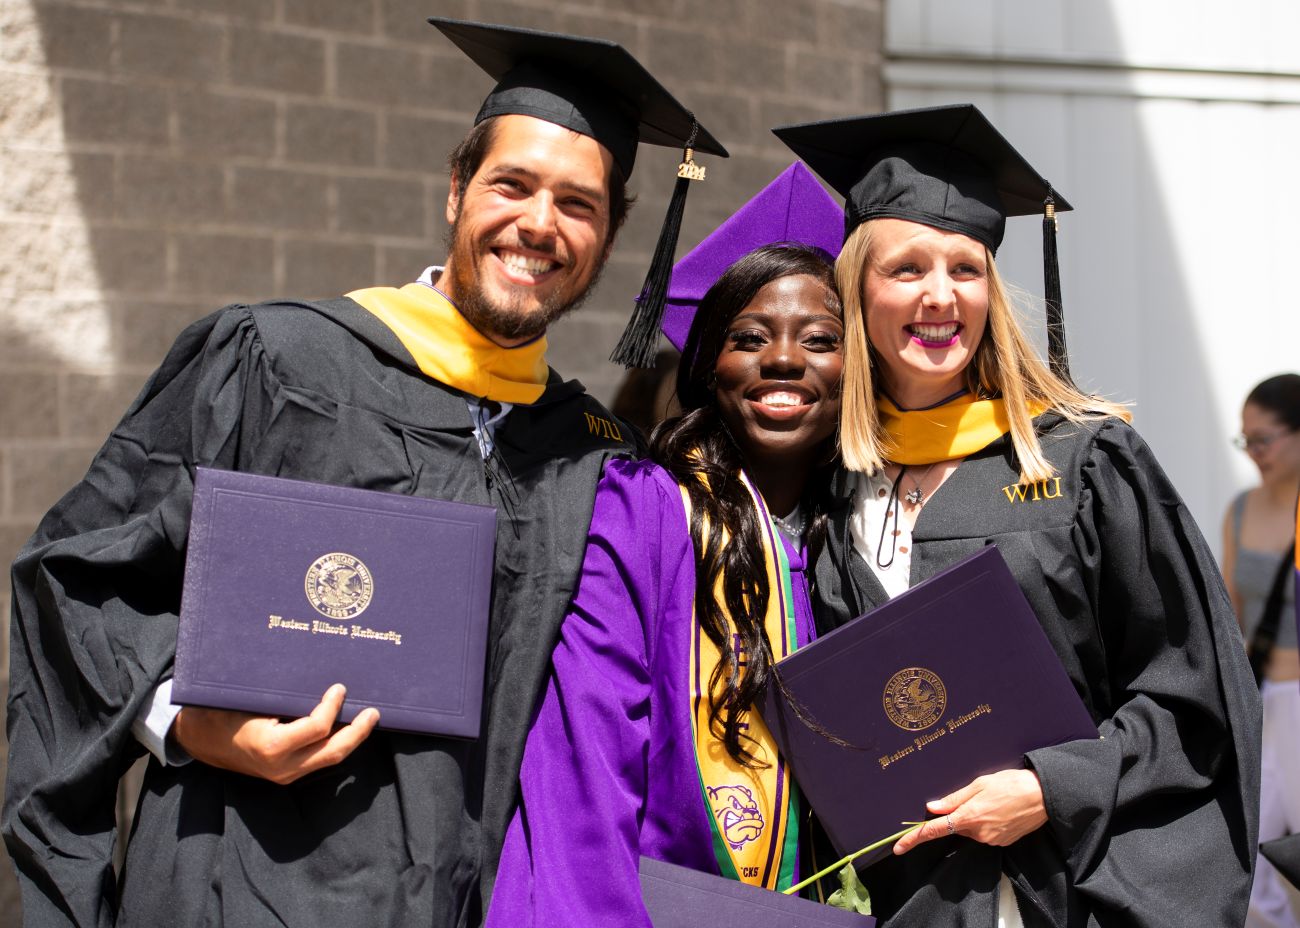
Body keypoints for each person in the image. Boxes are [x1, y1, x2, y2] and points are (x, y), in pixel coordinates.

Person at [3, 19, 726, 928]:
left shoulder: (590, 456)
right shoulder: (278, 362)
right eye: (513, 184)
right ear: (457, 190)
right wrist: (187, 724)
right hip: (237, 885)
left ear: (612, 234)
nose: (540, 224)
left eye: (578, 204)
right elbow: (77, 581)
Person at [777, 104, 1261, 927]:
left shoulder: (1085, 463)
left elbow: (1195, 695)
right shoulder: (831, 484)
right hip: (916, 903)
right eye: (907, 269)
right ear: (857, 287)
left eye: (965, 269)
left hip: (1078, 890)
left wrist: (1051, 785)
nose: (940, 297)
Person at [484, 163, 847, 926]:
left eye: (820, 338)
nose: (782, 358)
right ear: (707, 364)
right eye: (747, 337)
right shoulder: (643, 508)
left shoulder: (856, 533)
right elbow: (586, 759)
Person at [1222, 374, 1300, 928]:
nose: (1253, 452)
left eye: (1264, 439)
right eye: (1245, 440)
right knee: (1248, 849)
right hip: (1261, 700)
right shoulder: (1242, 510)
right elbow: (1229, 616)